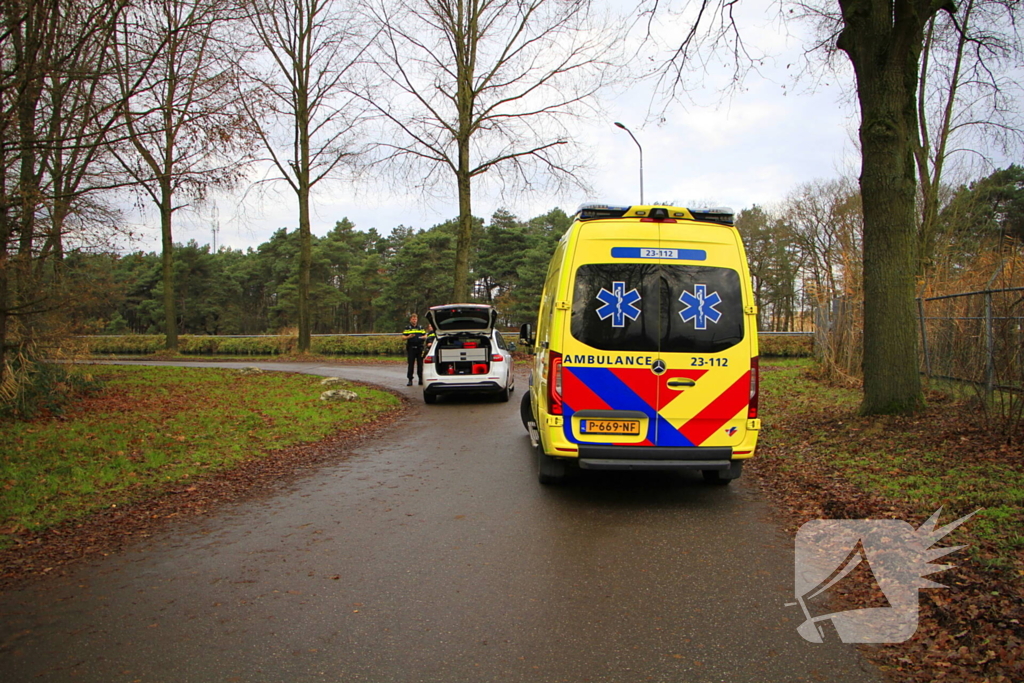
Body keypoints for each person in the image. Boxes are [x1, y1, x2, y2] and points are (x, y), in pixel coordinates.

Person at [402, 313, 427, 386]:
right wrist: (409, 336)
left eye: (415, 319)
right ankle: (410, 380)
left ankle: (420, 379)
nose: (414, 320)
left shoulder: (420, 327)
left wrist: (423, 337)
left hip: (419, 348)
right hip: (411, 348)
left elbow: (425, 335)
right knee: (411, 364)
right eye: (413, 319)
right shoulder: (407, 328)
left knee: (420, 364)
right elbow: (403, 337)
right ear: (410, 320)